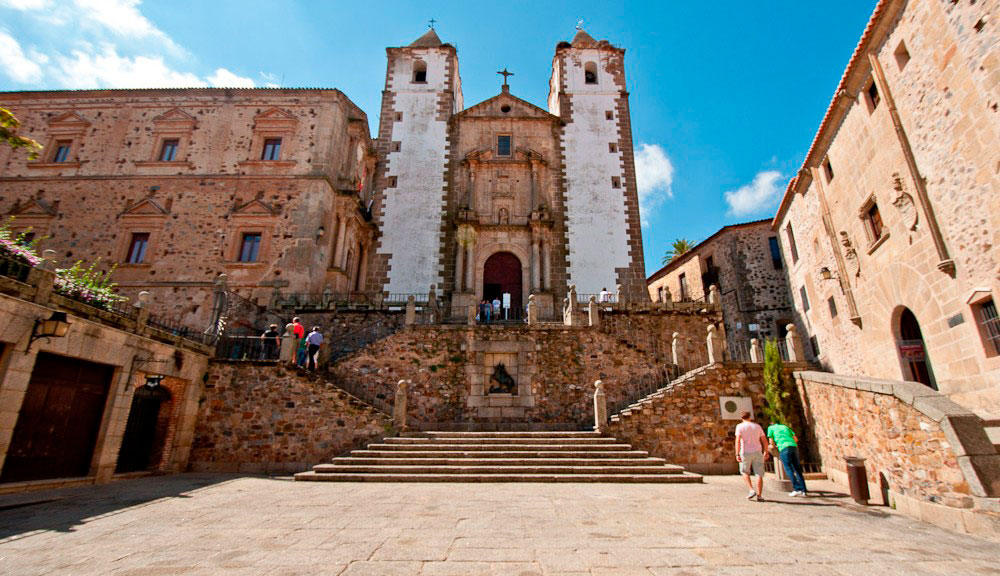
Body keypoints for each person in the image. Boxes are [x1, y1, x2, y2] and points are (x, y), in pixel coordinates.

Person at [735, 411, 769, 501]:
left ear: (741, 418)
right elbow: (764, 440)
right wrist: (766, 451)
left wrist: (737, 453)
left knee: (745, 472)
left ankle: (751, 490)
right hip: (758, 451)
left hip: (745, 452)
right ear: (750, 417)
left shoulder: (739, 426)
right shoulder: (757, 426)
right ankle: (759, 495)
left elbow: (738, 440)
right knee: (759, 474)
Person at [768, 421, 808, 497]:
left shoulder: (771, 428)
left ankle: (796, 489)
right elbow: (795, 439)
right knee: (797, 468)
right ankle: (804, 490)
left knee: (788, 468)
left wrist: (772, 445)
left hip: (783, 447)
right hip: (793, 446)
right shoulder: (785, 427)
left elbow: (771, 441)